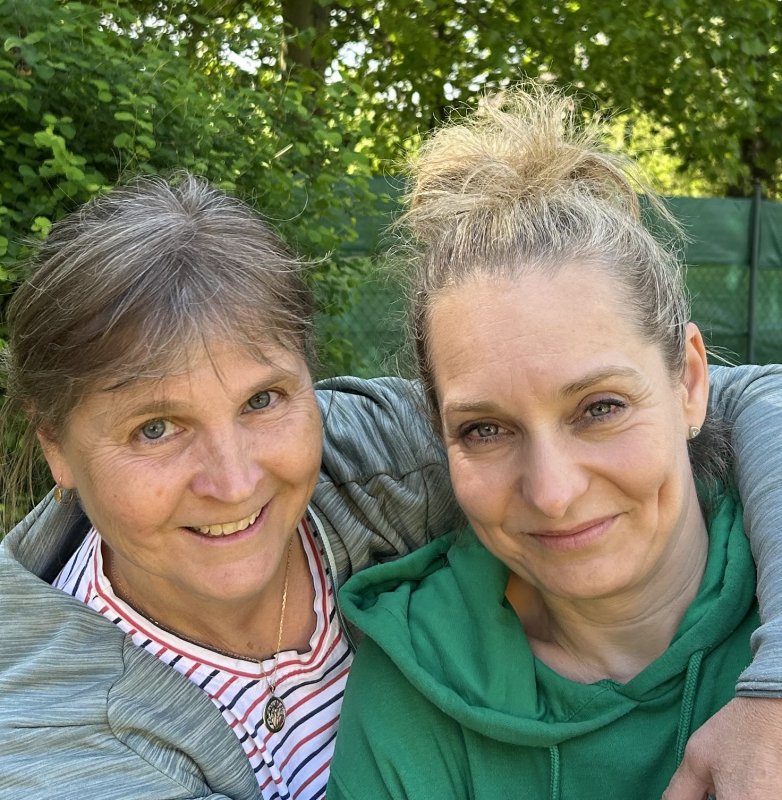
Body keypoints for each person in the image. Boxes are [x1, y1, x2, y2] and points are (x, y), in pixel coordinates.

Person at [0, 172, 779, 800]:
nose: (233, 481)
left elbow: (746, 398)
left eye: (263, 400)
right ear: (55, 448)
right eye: (155, 429)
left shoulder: (378, 457)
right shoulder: (45, 735)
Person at [326, 86, 782, 800]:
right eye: (485, 430)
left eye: (600, 408)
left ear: (690, 383)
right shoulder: (415, 680)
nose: (552, 492)